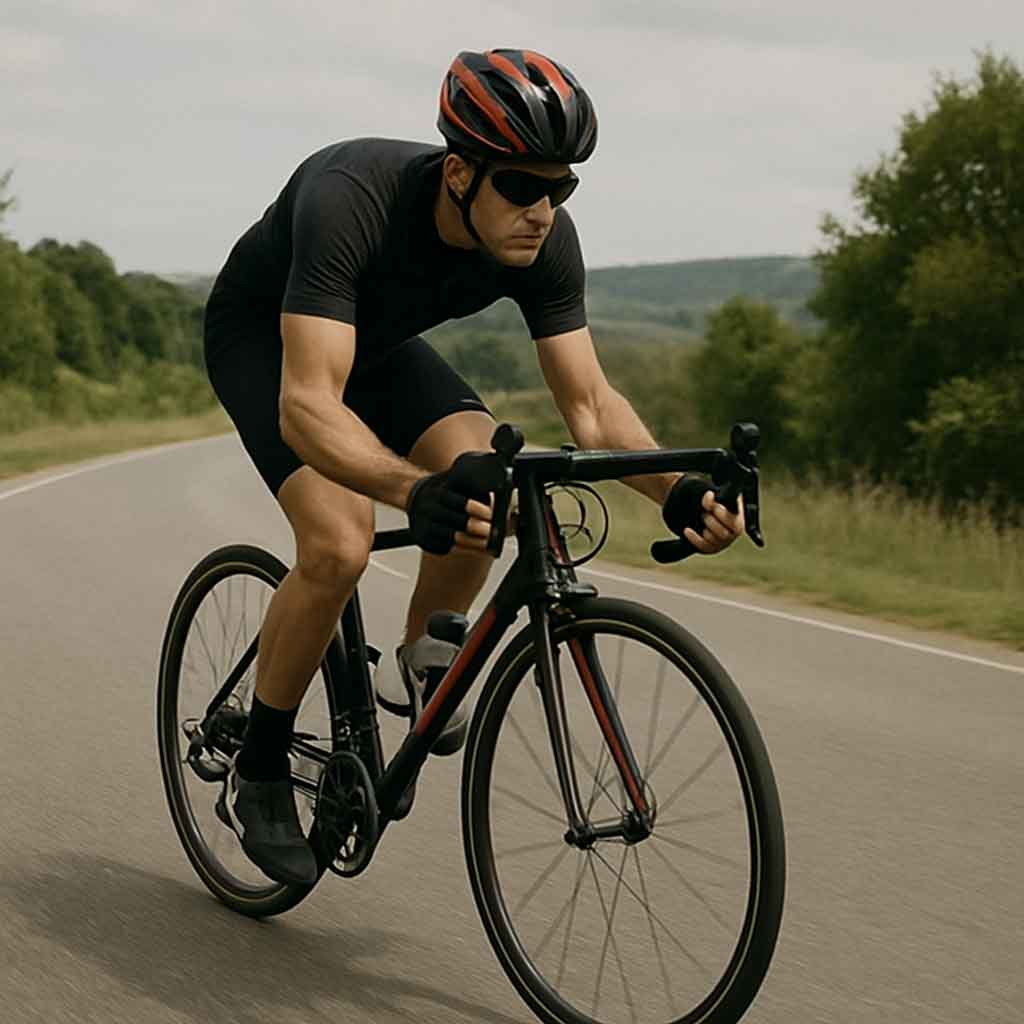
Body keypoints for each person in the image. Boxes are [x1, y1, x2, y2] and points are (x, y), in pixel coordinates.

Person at [203, 48, 745, 886]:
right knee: (341, 544)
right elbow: (308, 404)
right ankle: (263, 765)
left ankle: (421, 658)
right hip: (266, 342)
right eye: (522, 187)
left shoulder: (545, 241)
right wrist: (410, 491)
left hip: (378, 347)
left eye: (561, 188)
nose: (544, 209)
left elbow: (592, 405)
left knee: (486, 478)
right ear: (459, 172)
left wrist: (675, 492)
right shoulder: (353, 198)